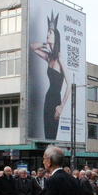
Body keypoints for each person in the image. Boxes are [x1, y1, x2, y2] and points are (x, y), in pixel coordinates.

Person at [30, 12, 70, 140]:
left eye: (50, 32)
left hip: (55, 100)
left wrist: (61, 106)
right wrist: (45, 44)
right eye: (47, 32)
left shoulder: (59, 58)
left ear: (56, 37)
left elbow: (69, 84)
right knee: (47, 132)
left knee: (52, 132)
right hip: (48, 99)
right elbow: (32, 47)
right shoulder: (49, 57)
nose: (47, 34)